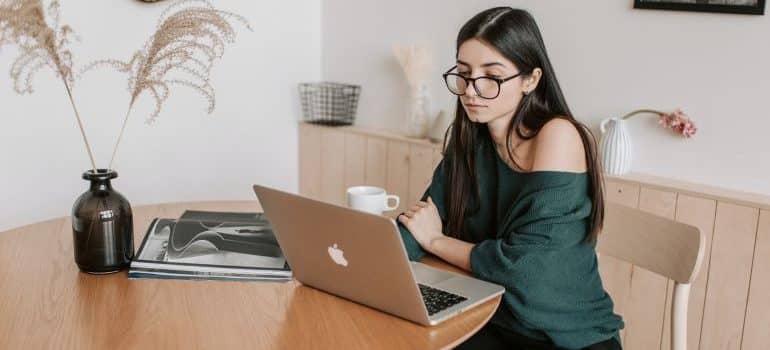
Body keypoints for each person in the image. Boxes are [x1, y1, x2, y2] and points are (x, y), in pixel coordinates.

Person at [396, 7, 624, 350]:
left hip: (563, 337)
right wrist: (363, 258)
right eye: (463, 73)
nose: (472, 90)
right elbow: (422, 224)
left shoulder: (558, 135)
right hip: (490, 316)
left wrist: (437, 242)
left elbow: (524, 268)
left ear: (530, 80)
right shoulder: (468, 139)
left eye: (491, 76)